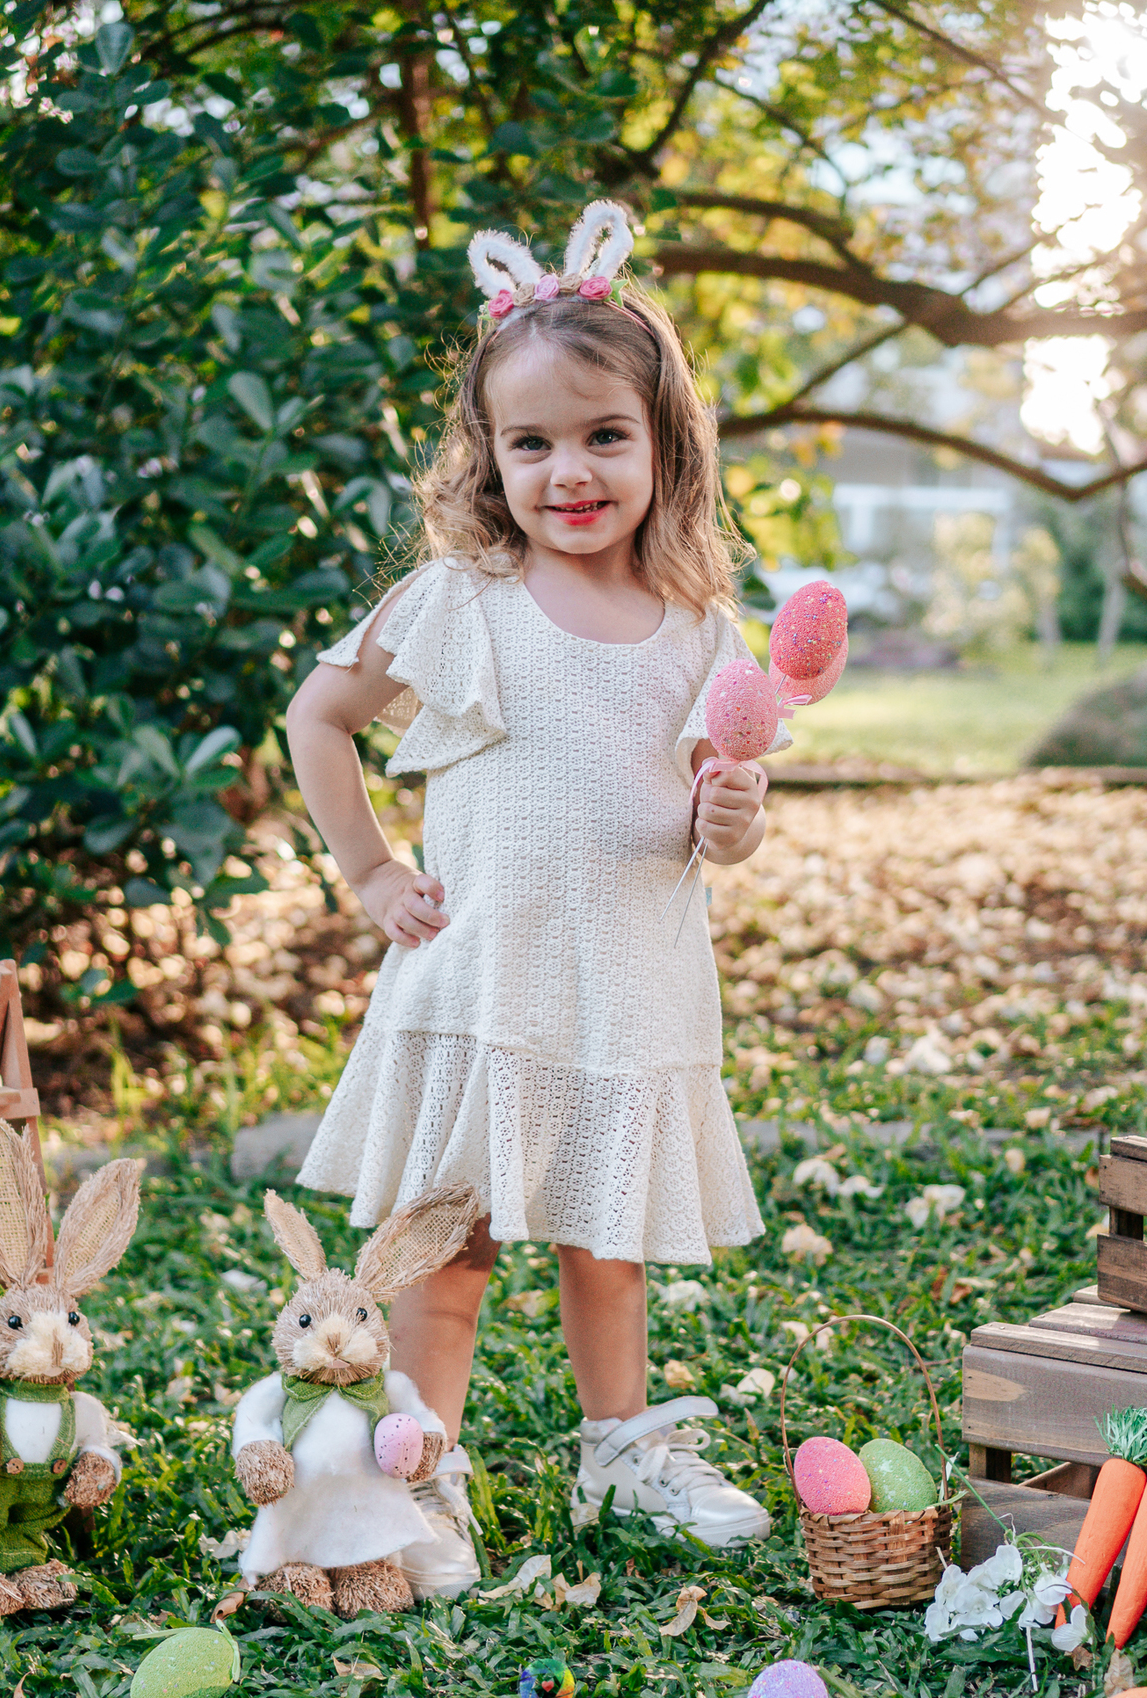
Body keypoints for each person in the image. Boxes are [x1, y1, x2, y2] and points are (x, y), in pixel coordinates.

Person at [285, 201, 786, 1600]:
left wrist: (730, 813)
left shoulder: (700, 629)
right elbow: (318, 720)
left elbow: (711, 810)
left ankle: (617, 1449)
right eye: (532, 442)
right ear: (488, 457)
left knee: (605, 1242)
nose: (569, 470)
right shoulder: (464, 601)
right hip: (488, 984)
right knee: (449, 1251)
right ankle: (415, 1468)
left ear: (663, 445)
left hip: (623, 986)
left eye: (603, 435)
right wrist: (374, 869)